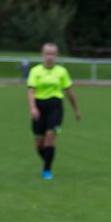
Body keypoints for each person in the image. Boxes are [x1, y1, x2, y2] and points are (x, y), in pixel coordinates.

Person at [26, 43, 81, 180]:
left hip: (55, 106)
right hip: (39, 106)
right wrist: (33, 108)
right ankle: (47, 160)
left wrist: (76, 110)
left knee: (50, 137)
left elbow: (69, 92)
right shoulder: (35, 71)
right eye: (47, 54)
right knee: (39, 142)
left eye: (52, 54)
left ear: (56, 56)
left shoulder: (61, 72)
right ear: (42, 55)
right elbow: (31, 91)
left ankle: (47, 170)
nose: (49, 57)